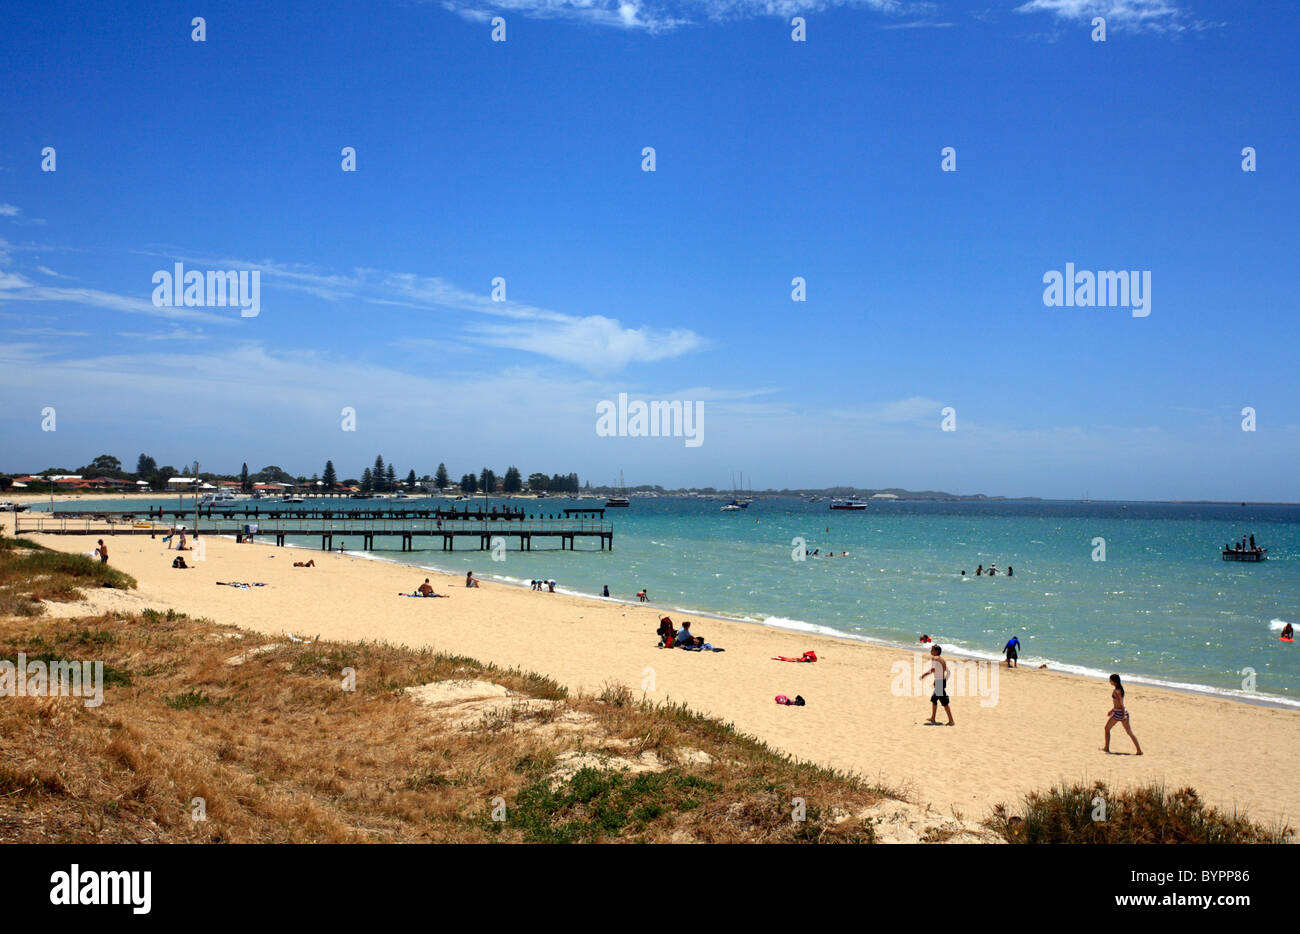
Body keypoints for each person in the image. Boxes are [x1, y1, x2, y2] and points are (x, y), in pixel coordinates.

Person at [1102, 674, 1142, 754]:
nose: (1109, 681)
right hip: (1118, 712)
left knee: (1107, 728)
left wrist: (1123, 715)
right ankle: (1139, 751)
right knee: (1129, 732)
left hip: (1119, 713)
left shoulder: (1117, 691)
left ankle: (1106, 748)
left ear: (1114, 681)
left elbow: (1121, 704)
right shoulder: (1119, 689)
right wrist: (1112, 710)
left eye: (1110, 680)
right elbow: (1117, 704)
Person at [919, 644, 954, 725]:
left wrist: (924, 675)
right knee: (934, 700)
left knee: (944, 702)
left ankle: (951, 721)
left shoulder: (935, 659)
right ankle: (933, 718)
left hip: (939, 683)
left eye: (932, 650)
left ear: (937, 651)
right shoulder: (942, 660)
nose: (931, 651)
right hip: (940, 682)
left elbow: (933, 669)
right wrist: (944, 679)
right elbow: (948, 672)